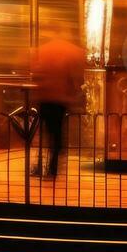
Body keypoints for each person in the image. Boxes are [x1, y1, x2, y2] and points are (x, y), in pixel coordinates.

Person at [29, 35, 85, 179]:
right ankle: (52, 168)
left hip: (45, 100)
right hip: (59, 101)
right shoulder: (67, 56)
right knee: (57, 136)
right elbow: (74, 80)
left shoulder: (43, 54)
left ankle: (41, 166)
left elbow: (37, 76)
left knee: (45, 134)